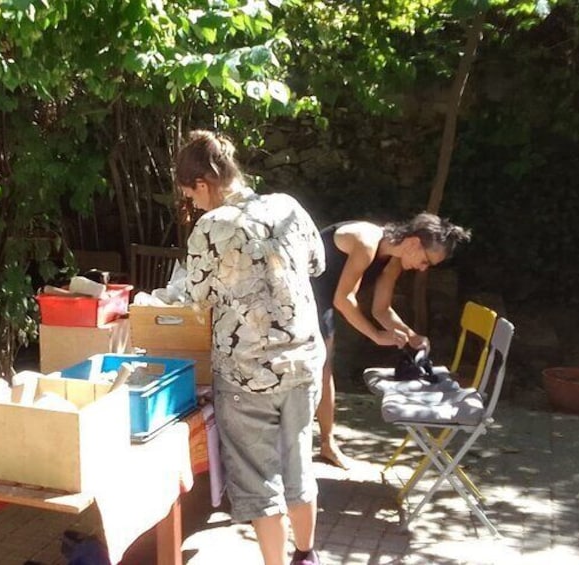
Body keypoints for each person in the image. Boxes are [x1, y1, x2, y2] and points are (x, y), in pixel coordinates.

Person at [178, 130, 325, 565]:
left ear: (204, 183)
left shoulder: (211, 227)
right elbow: (316, 264)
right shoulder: (288, 207)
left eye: (191, 195)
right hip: (303, 362)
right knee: (298, 461)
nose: (194, 204)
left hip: (246, 374)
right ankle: (306, 555)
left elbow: (199, 298)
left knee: (262, 480)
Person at [311, 215, 472, 469]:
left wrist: (410, 336)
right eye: (425, 261)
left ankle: (327, 444)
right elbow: (344, 299)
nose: (422, 268)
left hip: (321, 297)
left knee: (324, 368)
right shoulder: (365, 241)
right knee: (318, 366)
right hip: (297, 290)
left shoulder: (394, 260)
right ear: (413, 243)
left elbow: (381, 310)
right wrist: (376, 336)